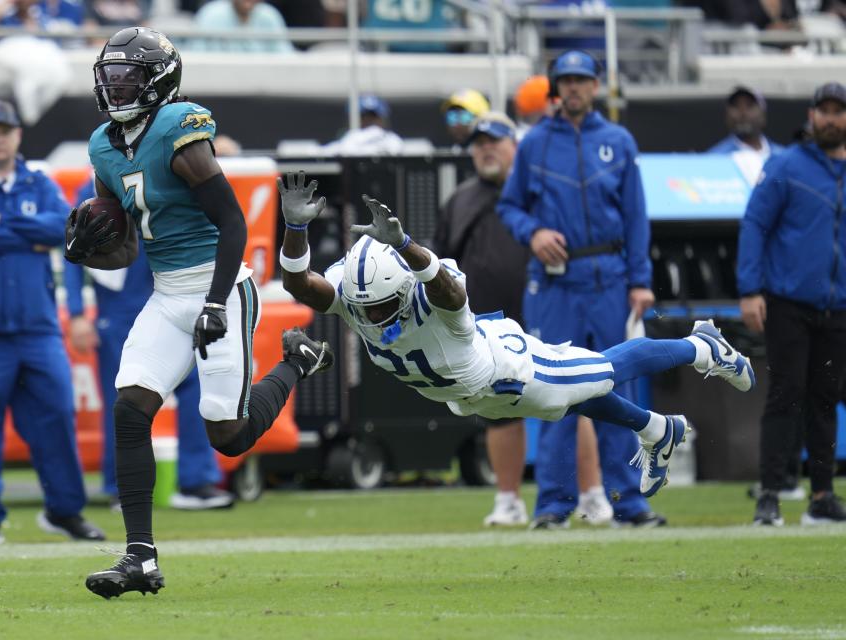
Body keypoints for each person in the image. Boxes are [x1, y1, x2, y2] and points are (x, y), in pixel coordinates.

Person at [278, 172, 754, 525]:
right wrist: (295, 230)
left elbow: (450, 291)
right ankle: (656, 428)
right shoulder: (358, 293)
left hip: (503, 365)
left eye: (384, 306)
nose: (374, 317)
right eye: (367, 308)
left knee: (603, 369)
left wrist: (404, 243)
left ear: (403, 288)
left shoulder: (431, 291)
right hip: (469, 392)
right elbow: (303, 285)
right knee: (570, 399)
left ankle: (701, 345)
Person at [69, 28, 332, 598]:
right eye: (110, 76)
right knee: (130, 406)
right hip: (166, 292)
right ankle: (139, 556)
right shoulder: (102, 146)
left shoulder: (179, 130)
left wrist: (215, 302)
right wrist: (88, 247)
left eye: (129, 76)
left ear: (159, 79)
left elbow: (233, 222)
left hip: (223, 284)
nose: (116, 87)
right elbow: (126, 248)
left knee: (229, 436)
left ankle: (296, 363)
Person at [496, 50, 662, 529]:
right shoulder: (534, 145)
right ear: (555, 86)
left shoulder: (618, 140)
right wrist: (534, 233)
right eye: (566, 80)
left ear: (596, 86)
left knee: (619, 389)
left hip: (610, 277)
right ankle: (553, 505)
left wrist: (640, 281)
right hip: (555, 284)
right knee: (551, 394)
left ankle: (628, 504)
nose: (574, 88)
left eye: (582, 80)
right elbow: (509, 207)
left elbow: (635, 217)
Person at [0, 99, 105, 545]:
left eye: (5, 129)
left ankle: (65, 512)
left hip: (36, 328)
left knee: (55, 419)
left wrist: (2, 224)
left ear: (17, 134)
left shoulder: (38, 182)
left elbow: (62, 229)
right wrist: (25, 230)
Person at [64, 178, 234, 512]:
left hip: (169, 296)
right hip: (120, 306)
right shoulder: (94, 185)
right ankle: (121, 487)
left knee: (196, 383)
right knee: (125, 397)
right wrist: (76, 313)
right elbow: (71, 246)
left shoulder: (172, 172)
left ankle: (197, 481)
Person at [737, 81, 846, 527]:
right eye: (825, 111)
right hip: (789, 302)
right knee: (785, 396)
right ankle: (771, 493)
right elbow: (755, 224)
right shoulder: (786, 165)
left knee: (824, 399)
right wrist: (749, 289)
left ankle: (822, 495)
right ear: (811, 115)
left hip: (837, 306)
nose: (831, 119)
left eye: (839, 111)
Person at [435, 112, 531, 526]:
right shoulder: (460, 200)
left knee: (573, 402)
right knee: (499, 409)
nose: (485, 149)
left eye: (494, 140)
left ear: (515, 144)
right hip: (488, 325)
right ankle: (508, 499)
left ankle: (589, 495)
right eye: (478, 143)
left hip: (541, 312)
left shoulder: (536, 190)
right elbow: (440, 262)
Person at [707, 86, 784, 160]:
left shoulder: (782, 156)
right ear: (727, 116)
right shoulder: (715, 158)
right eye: (736, 106)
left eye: (749, 106)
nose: (743, 113)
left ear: (763, 115)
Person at [192, 0, 294, 53]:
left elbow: (286, 57)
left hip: (263, 88)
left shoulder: (270, 16)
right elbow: (197, 56)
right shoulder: (210, 15)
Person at [322, 94, 404, 156]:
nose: (368, 121)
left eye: (373, 116)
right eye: (363, 117)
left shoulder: (393, 140)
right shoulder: (348, 140)